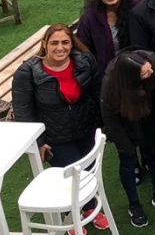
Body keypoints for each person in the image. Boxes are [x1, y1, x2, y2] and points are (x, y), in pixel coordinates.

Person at [98, 48, 155, 227]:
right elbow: (110, 118)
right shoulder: (110, 86)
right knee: (128, 161)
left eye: (149, 68)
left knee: (154, 154)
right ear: (131, 78)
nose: (151, 72)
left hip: (149, 115)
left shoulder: (152, 63)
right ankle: (134, 204)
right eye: (145, 73)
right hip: (125, 122)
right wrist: (124, 145)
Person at [13, 25, 101, 175]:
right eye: (54, 43)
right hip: (56, 141)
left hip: (87, 131)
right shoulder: (27, 73)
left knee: (91, 174)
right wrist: (38, 143)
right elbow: (23, 112)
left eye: (65, 42)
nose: (60, 48)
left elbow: (97, 92)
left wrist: (102, 124)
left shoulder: (85, 61)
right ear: (44, 44)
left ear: (72, 44)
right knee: (73, 179)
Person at [74, 0, 136, 78]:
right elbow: (83, 49)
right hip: (105, 75)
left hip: (136, 70)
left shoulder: (136, 9)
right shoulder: (90, 18)